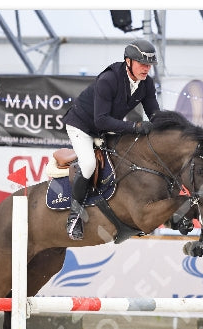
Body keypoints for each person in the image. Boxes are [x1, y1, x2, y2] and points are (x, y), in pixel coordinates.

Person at [62, 39, 161, 240]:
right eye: (142, 63)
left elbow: (155, 114)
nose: (146, 69)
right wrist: (135, 127)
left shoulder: (146, 84)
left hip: (105, 128)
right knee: (89, 164)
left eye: (149, 65)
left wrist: (170, 127)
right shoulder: (109, 79)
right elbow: (100, 121)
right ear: (128, 61)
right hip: (82, 126)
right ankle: (74, 216)